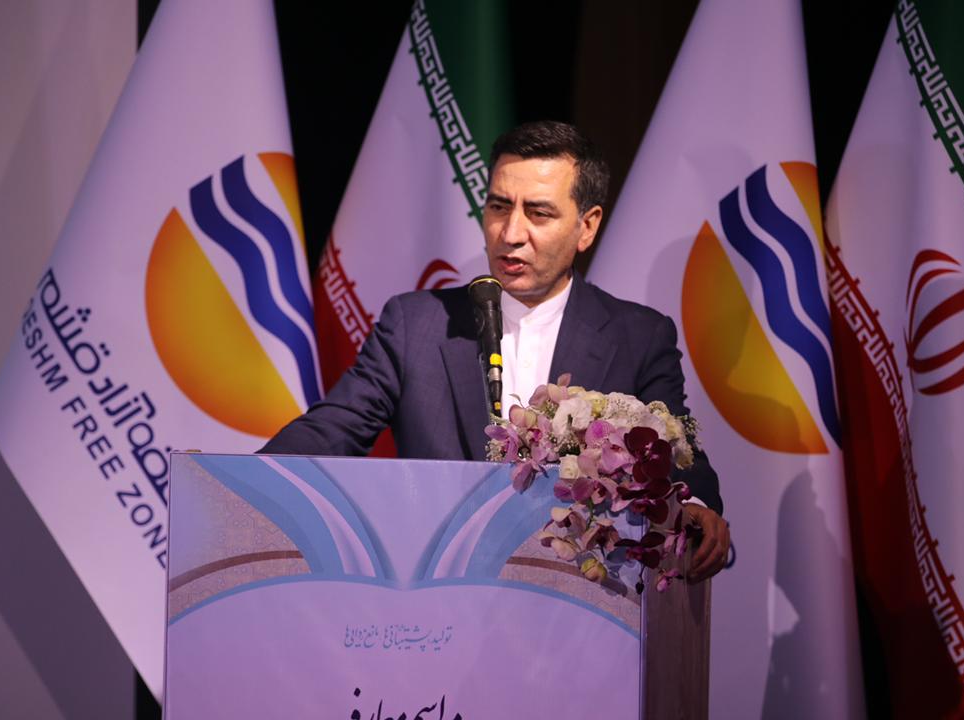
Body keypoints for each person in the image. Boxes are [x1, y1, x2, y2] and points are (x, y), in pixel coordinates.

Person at [262, 121, 729, 582]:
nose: (511, 232)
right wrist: (242, 484)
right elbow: (331, 430)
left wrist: (693, 506)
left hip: (573, 592)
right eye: (499, 207)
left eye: (539, 213)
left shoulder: (638, 336)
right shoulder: (415, 324)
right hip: (434, 584)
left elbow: (678, 456)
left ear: (586, 227)